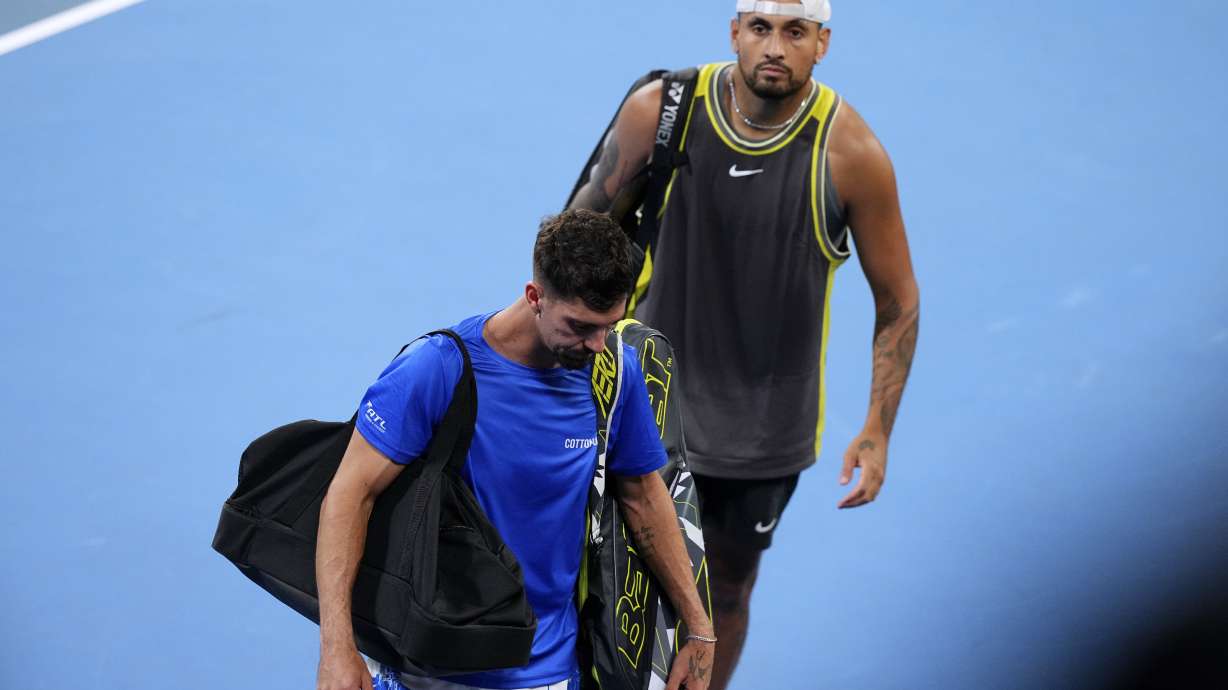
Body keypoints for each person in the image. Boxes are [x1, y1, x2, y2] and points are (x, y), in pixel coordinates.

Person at [568, 2, 920, 688]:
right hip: (641, 407)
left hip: (762, 439)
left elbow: (898, 303)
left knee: (723, 594)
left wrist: (878, 428)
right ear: (734, 32)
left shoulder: (853, 157)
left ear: (822, 43)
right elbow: (571, 249)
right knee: (600, 573)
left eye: (795, 31)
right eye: (760, 26)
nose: (774, 46)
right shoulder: (659, 112)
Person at [314, 209, 714, 690]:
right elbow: (349, 494)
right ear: (535, 297)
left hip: (542, 670)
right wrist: (336, 646)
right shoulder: (438, 369)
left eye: (610, 324)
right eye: (580, 326)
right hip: (423, 662)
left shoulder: (616, 373)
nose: (597, 344)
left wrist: (699, 626)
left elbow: (644, 497)